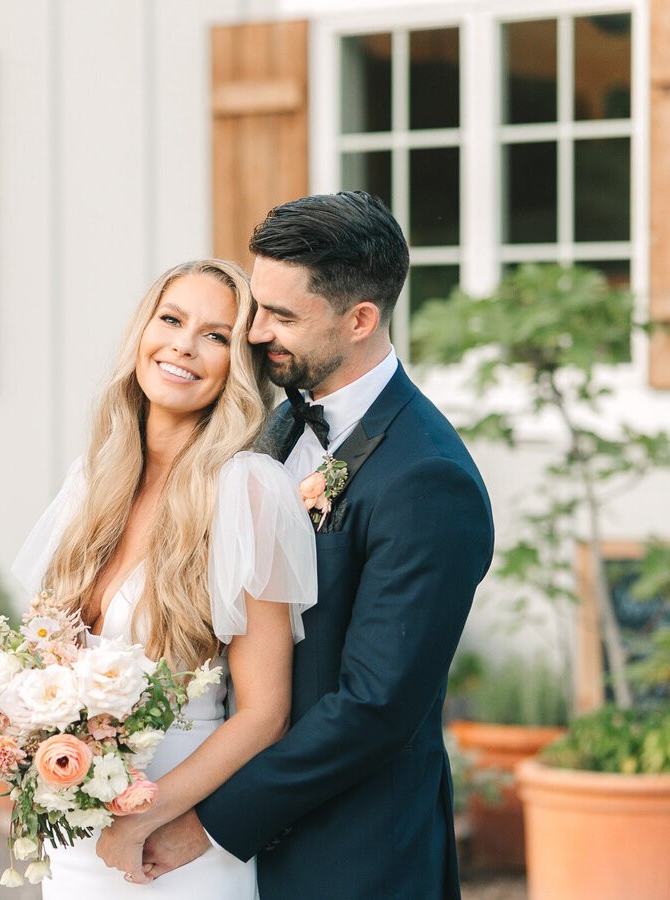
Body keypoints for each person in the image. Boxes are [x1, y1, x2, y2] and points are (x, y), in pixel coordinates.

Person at [122, 192, 494, 898]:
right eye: (257, 306)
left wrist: (206, 821)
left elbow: (375, 708)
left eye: (283, 316)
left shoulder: (427, 478)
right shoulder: (273, 424)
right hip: (231, 833)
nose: (253, 333)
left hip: (348, 856)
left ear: (360, 320)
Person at [11, 258, 318, 897]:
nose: (183, 344)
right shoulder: (93, 481)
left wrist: (145, 816)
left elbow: (265, 714)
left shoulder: (248, 491)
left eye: (215, 335)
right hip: (75, 833)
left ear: (238, 364)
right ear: (143, 332)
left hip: (173, 844)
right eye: (172, 319)